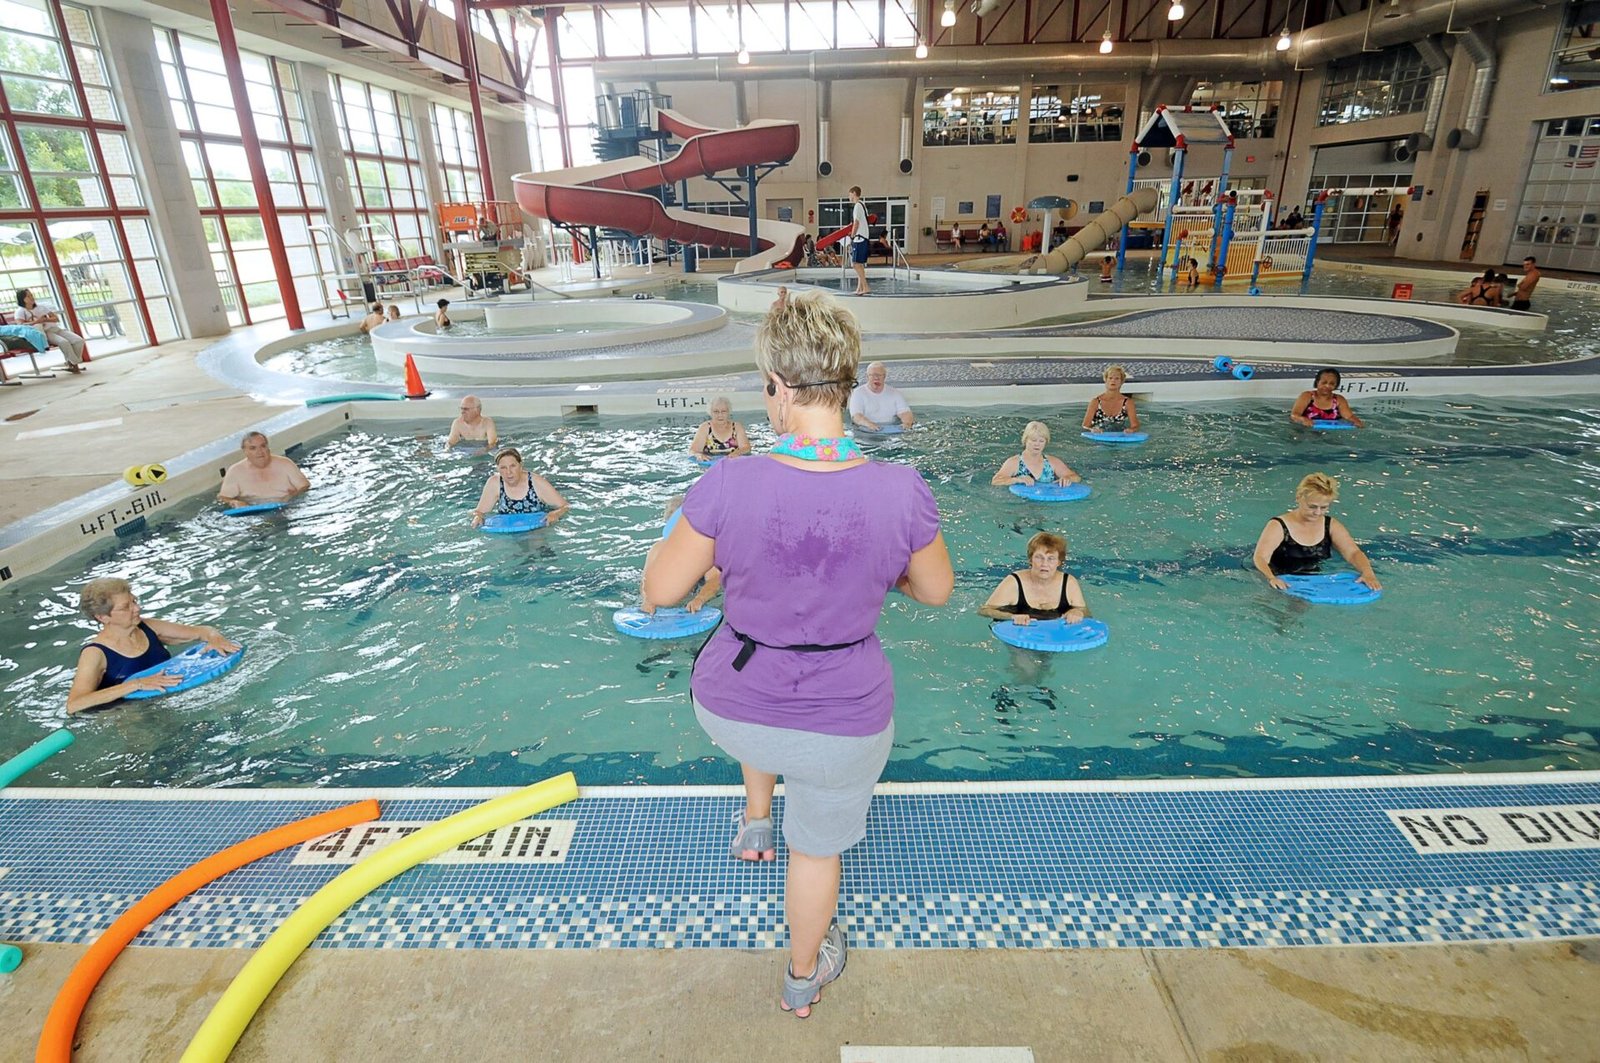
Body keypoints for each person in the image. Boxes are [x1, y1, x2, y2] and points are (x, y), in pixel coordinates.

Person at [641, 288, 953, 1019]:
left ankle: (756, 813)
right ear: (845, 385)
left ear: (778, 389)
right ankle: (802, 978)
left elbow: (660, 586)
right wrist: (883, 569)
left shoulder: (728, 480)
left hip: (735, 708)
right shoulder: (901, 489)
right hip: (844, 720)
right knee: (816, 850)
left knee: (754, 660)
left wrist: (700, 542)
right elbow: (935, 590)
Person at [65, 577, 241, 714]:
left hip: (169, 700)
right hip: (128, 714)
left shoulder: (149, 627)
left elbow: (203, 631)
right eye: (126, 607)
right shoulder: (95, 653)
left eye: (134, 601)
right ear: (103, 617)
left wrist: (216, 638)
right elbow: (74, 704)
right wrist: (136, 684)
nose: (137, 608)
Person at [1252, 472, 1380, 591]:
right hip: (1277, 577)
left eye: (1324, 507)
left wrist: (1368, 573)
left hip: (1312, 579)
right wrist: (1271, 578)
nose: (1318, 513)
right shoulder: (1278, 526)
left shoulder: (1331, 525)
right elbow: (1260, 557)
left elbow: (1353, 552)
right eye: (1312, 507)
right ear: (1298, 498)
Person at [977, 532, 1090, 626]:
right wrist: (1012, 617)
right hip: (1019, 631)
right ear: (1030, 559)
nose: (1044, 564)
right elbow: (984, 610)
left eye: (1051, 558)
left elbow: (1087, 613)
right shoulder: (1014, 582)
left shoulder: (1069, 583)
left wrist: (1077, 612)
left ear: (1059, 562)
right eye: (1039, 557)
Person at [641, 497, 722, 616]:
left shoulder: (705, 550)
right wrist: (647, 601)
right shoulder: (657, 549)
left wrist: (699, 599)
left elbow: (714, 581)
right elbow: (646, 581)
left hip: (688, 592)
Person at [469, 447, 568, 527]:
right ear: (498, 469)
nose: (509, 472)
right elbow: (479, 511)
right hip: (508, 528)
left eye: (513, 466)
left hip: (536, 528)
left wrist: (555, 514)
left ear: (520, 466)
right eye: (503, 468)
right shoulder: (495, 483)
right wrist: (477, 517)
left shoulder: (536, 482)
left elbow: (565, 506)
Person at [218, 432, 310, 506]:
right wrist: (234, 502)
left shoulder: (285, 464)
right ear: (245, 451)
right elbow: (223, 497)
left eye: (263, 446)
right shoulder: (236, 471)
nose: (260, 452)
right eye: (253, 448)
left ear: (268, 447)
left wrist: (292, 496)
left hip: (287, 508)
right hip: (252, 513)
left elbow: (304, 486)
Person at [14, 289, 86, 372]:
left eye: (31, 295)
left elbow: (56, 318)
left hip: (56, 329)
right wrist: (37, 321)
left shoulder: (41, 307)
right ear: (22, 299)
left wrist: (45, 320)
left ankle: (71, 362)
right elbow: (20, 325)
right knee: (64, 342)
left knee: (78, 340)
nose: (32, 298)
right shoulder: (20, 311)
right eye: (28, 296)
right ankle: (75, 363)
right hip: (45, 332)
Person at [990, 421, 1080, 487]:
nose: (1037, 444)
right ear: (1025, 440)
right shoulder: (1014, 462)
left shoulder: (1052, 462)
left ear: (1046, 442)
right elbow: (996, 481)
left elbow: (1075, 477)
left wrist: (1067, 479)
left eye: (1041, 441)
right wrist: (1016, 479)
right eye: (1033, 440)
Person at [848, 362, 914, 432]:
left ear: (884, 376)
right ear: (867, 376)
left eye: (879, 375)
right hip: (866, 431)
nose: (876, 378)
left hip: (890, 430)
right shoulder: (858, 393)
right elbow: (856, 416)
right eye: (873, 375)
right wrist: (870, 425)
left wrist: (907, 423)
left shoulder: (895, 393)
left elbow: (905, 412)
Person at [1290, 368, 1364, 428]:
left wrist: (1357, 421)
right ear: (1317, 382)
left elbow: (1349, 416)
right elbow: (1294, 415)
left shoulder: (1339, 400)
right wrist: (1303, 419)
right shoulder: (1307, 396)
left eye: (1332, 384)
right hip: (1305, 431)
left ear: (1336, 386)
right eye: (1324, 382)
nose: (1327, 386)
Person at [1082, 365, 1141, 434]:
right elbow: (1085, 425)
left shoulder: (1128, 402)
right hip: (1099, 437)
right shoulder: (1095, 402)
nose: (1113, 380)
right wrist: (1092, 429)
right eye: (1110, 378)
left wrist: (1131, 430)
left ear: (1121, 382)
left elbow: (1135, 425)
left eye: (1117, 378)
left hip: (1120, 436)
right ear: (1105, 380)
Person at [848, 185, 871, 296]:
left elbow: (856, 223)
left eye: (850, 194)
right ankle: (859, 288)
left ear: (854, 193)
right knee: (860, 265)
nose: (849, 197)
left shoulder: (857, 206)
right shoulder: (862, 205)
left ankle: (865, 287)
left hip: (859, 238)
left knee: (855, 264)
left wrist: (852, 236)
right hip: (864, 238)